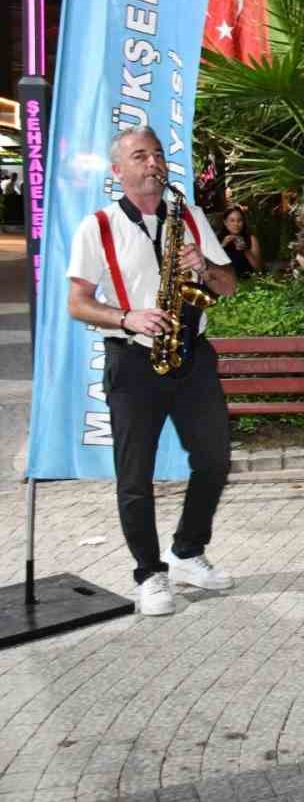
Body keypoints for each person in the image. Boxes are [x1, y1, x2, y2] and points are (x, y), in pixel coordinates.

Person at [65, 127, 239, 616]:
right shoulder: (97, 227)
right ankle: (148, 573)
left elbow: (228, 286)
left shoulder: (189, 216)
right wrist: (127, 316)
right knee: (135, 476)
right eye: (139, 156)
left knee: (215, 460)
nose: (153, 163)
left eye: (158, 155)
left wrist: (203, 264)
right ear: (117, 171)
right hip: (134, 358)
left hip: (192, 353)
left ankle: (186, 552)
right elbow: (77, 303)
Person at [217, 206, 262, 278]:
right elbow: (211, 265)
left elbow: (258, 269)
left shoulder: (251, 239)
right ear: (225, 222)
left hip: (247, 280)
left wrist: (246, 251)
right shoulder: (217, 239)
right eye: (232, 220)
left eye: (239, 220)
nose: (236, 224)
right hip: (225, 281)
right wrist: (223, 245)